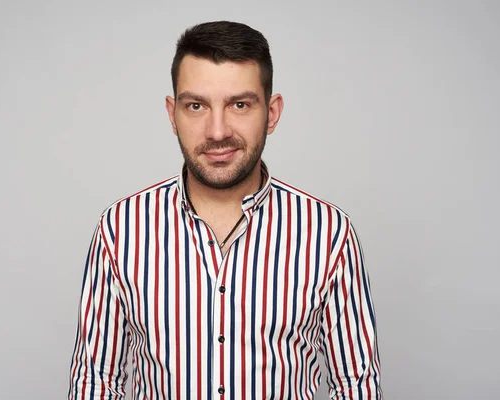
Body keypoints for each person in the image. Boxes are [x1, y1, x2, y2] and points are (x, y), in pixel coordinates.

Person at [68, 21, 382, 400]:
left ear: (272, 112)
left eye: (240, 104)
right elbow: (97, 383)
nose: (217, 131)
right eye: (196, 105)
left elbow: (356, 386)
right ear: (173, 114)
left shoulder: (328, 234)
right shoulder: (120, 230)